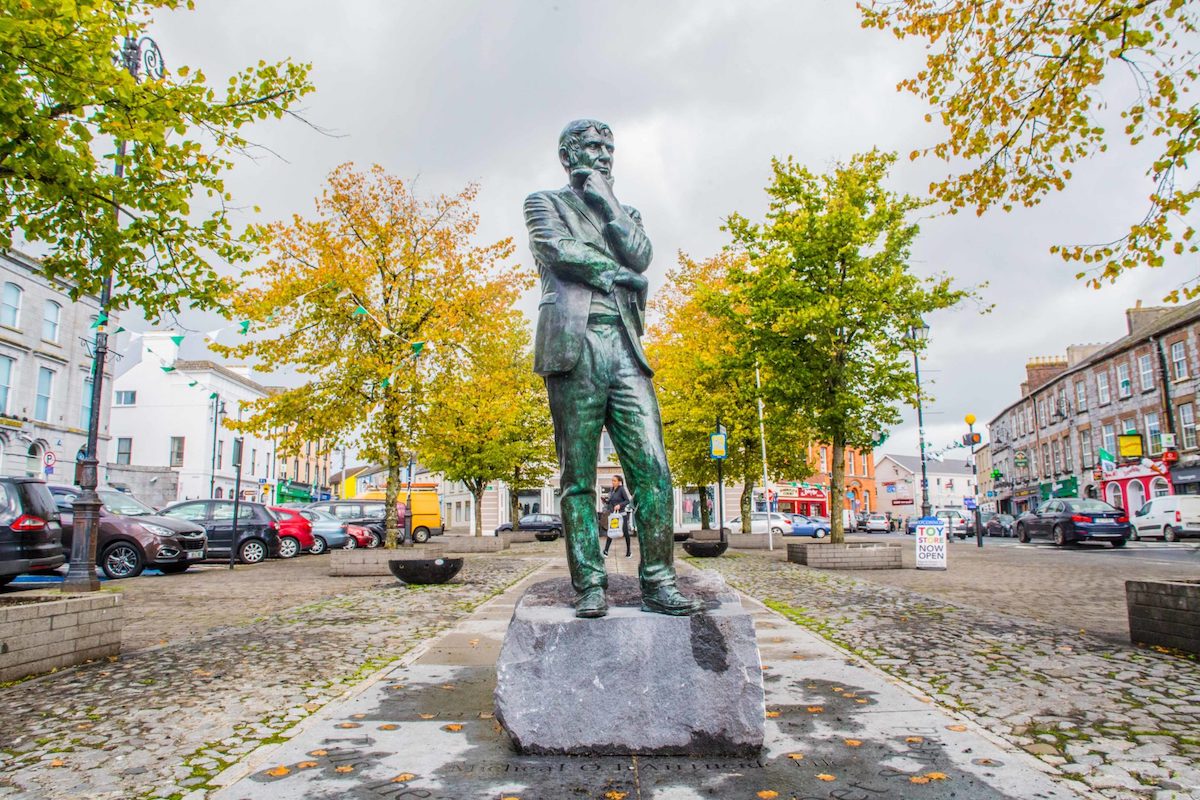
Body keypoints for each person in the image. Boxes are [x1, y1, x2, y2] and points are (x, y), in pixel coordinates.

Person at [525, 118, 702, 619]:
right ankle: (589, 584)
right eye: (593, 147)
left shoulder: (625, 213)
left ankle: (659, 580)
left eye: (609, 147)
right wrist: (618, 274)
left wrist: (605, 201)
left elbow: (642, 256)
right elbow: (556, 250)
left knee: (654, 470)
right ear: (568, 154)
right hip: (573, 345)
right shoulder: (544, 203)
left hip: (625, 348)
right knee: (577, 477)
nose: (604, 154)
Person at [602, 475, 633, 558]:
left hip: (622, 515)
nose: (613, 482)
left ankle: (629, 551)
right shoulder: (612, 490)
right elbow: (611, 501)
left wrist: (620, 505)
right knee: (611, 532)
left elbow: (627, 501)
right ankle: (606, 551)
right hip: (614, 515)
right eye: (612, 480)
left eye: (614, 481)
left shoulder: (621, 489)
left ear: (619, 482)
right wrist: (606, 501)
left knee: (626, 533)